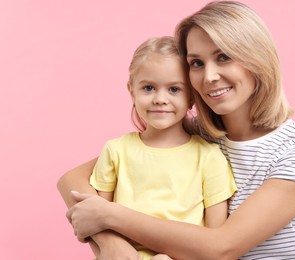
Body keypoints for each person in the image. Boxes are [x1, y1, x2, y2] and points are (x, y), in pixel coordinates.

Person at [60, 1, 295, 259]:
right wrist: (112, 244)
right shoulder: (195, 135)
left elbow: (222, 249)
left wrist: (109, 215)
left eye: (223, 57)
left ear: (257, 59)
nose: (209, 76)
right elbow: (71, 181)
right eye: (196, 63)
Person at [63, 36, 237, 260]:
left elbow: (214, 241)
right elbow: (99, 223)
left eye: (174, 89)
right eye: (148, 88)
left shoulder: (209, 158)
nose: (160, 99)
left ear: (192, 96)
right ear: (132, 91)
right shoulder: (116, 151)